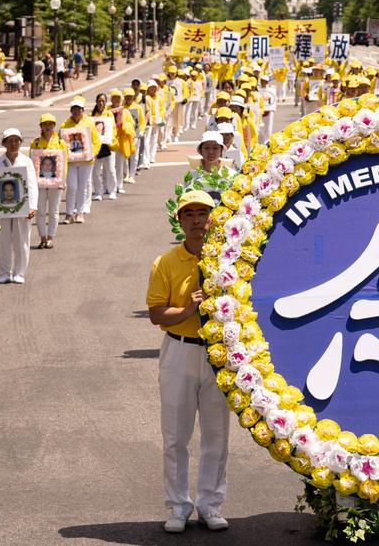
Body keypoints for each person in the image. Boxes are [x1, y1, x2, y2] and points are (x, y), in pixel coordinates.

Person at [147, 190, 231, 533]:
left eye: (203, 213)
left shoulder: (228, 257)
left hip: (217, 352)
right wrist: (188, 310)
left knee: (216, 435)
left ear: (212, 219)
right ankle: (178, 506)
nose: (197, 220)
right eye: (189, 214)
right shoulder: (165, 262)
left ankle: (210, 504)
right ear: (179, 220)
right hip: (179, 349)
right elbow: (156, 313)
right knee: (175, 435)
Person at [0, 128, 38, 284]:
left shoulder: (27, 161)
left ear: (20, 142)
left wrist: (33, 207)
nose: (13, 144)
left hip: (22, 208)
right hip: (2, 208)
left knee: (21, 240)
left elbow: (32, 185)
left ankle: (19, 272)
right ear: (4, 143)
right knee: (2, 241)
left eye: (16, 140)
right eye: (9, 141)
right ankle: (4, 272)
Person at [60, 97, 100, 225]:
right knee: (71, 187)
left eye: (79, 109)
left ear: (83, 110)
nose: (76, 112)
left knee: (82, 187)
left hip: (86, 161)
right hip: (71, 161)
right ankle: (69, 213)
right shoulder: (65, 124)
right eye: (74, 109)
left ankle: (80, 212)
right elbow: (60, 142)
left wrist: (93, 153)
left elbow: (96, 141)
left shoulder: (89, 123)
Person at [30, 113, 67, 249]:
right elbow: (31, 162)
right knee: (40, 211)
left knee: (53, 211)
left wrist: (62, 181)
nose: (48, 126)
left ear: (54, 126)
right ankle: (42, 237)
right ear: (41, 126)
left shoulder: (60, 142)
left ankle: (50, 237)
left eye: (50, 124)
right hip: (39, 183)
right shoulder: (36, 143)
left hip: (55, 183)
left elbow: (65, 163)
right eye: (45, 124)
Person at [90, 93, 118, 201]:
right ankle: (98, 192)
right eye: (99, 101)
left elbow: (113, 129)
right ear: (96, 102)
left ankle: (112, 191)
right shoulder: (91, 116)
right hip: (97, 147)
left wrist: (110, 138)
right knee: (96, 171)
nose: (101, 103)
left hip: (108, 145)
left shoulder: (109, 115)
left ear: (106, 102)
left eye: (103, 101)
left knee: (110, 169)